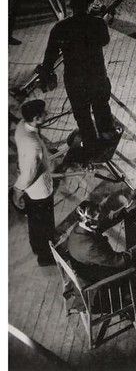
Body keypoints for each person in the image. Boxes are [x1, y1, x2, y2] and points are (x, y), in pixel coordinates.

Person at [39, 0, 116, 154]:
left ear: (72, 7)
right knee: (101, 107)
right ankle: (107, 139)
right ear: (89, 5)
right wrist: (105, 21)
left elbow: (50, 55)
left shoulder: (60, 27)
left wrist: (47, 74)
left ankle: (91, 146)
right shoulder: (97, 23)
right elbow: (104, 40)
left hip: (74, 80)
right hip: (96, 77)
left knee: (82, 115)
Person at [12, 100, 63, 266]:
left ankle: (37, 246)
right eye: (43, 114)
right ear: (35, 118)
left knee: (35, 221)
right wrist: (17, 192)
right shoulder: (33, 146)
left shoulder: (21, 126)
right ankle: (46, 256)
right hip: (40, 190)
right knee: (45, 223)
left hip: (31, 190)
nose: (47, 115)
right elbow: (29, 174)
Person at [67, 199, 136, 284]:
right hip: (98, 271)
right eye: (99, 217)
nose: (101, 218)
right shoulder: (90, 247)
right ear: (89, 223)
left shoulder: (81, 226)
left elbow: (104, 222)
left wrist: (125, 210)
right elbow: (120, 261)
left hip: (84, 258)